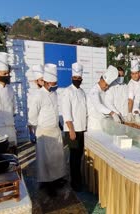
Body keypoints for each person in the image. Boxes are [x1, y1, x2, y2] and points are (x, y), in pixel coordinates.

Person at [28, 63, 66, 197]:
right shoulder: (38, 96)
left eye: (56, 83)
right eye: (52, 83)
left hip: (55, 130)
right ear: (46, 82)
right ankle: (48, 185)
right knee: (47, 160)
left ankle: (56, 179)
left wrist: (60, 125)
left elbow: (56, 111)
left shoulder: (55, 94)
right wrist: (32, 132)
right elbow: (32, 116)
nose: (54, 85)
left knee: (57, 158)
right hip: (44, 133)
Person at [62, 62, 87, 192]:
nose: (78, 80)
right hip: (72, 130)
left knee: (80, 156)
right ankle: (75, 183)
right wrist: (71, 130)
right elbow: (67, 113)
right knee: (74, 158)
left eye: (79, 78)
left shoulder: (82, 92)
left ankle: (79, 180)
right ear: (72, 78)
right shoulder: (67, 91)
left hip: (82, 129)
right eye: (75, 78)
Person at [87, 65, 121, 130]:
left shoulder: (102, 91)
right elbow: (98, 106)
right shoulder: (94, 91)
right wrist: (112, 113)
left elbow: (107, 104)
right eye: (106, 85)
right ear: (101, 80)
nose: (106, 87)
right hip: (94, 125)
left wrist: (117, 113)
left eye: (108, 85)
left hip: (102, 124)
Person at [0, 52, 17, 154]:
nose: (7, 75)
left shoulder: (10, 89)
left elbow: (13, 108)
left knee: (13, 156)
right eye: (4, 74)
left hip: (10, 128)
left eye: (8, 73)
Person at [26, 64, 44, 144]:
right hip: (39, 127)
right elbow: (31, 115)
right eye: (41, 80)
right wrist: (31, 132)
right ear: (36, 81)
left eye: (45, 80)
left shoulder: (50, 92)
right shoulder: (33, 95)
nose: (44, 82)